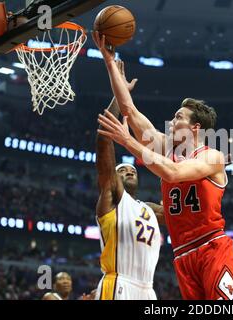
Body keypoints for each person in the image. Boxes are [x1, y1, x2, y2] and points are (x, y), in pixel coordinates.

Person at [93, 32, 233, 300]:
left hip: (211, 247)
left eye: (178, 118)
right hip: (182, 254)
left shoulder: (212, 156)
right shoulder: (165, 148)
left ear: (195, 128)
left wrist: (128, 141)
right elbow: (129, 110)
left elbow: (172, 173)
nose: (171, 122)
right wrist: (108, 63)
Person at [94, 63, 162, 300]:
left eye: (132, 170)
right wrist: (120, 92)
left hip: (148, 289)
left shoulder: (149, 209)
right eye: (122, 170)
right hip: (119, 282)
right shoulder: (112, 194)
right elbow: (103, 138)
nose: (129, 172)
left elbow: (183, 213)